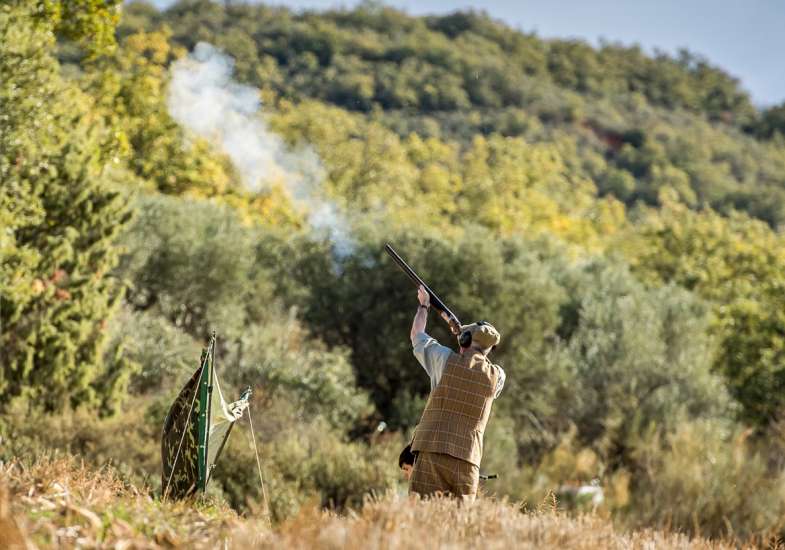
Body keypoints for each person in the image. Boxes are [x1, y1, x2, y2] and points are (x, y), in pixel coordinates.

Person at [408, 285, 505, 502]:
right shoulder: (497, 376)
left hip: (433, 451)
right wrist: (468, 340)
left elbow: (417, 335)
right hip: (469, 462)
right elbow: (478, 363)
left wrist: (424, 305)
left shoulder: (444, 360)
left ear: (464, 341)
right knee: (459, 528)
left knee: (420, 521)